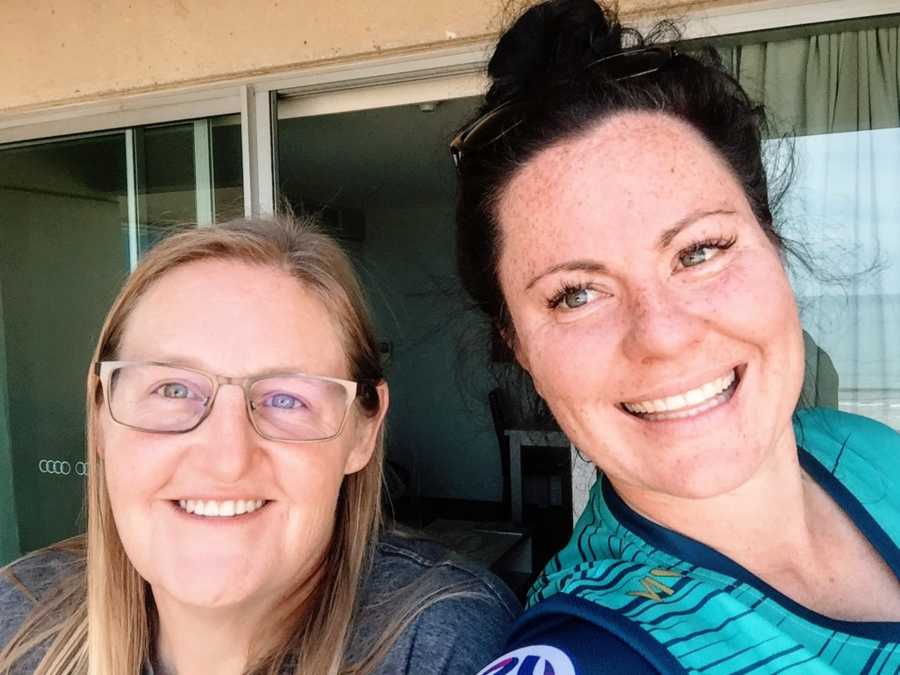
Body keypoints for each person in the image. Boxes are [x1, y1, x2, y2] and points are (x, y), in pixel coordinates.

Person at [450, 1, 900, 673]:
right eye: (576, 293)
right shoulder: (589, 653)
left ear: (772, 248)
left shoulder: (859, 448)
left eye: (700, 251)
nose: (661, 334)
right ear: (517, 344)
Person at [0, 216, 518, 674]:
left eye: (286, 399)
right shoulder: (16, 618)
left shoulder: (438, 643)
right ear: (99, 417)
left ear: (363, 432)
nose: (227, 460)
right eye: (173, 389)